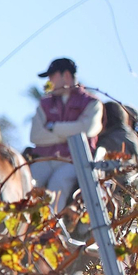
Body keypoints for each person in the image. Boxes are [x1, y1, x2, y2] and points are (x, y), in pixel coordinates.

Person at [27, 57, 101, 211]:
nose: (49, 82)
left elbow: (88, 129)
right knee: (27, 183)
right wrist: (71, 132)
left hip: (73, 162)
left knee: (57, 186)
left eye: (52, 77)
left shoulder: (92, 103)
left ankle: (49, 231)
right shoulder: (45, 103)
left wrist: (53, 127)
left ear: (66, 75)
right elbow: (35, 136)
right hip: (44, 159)